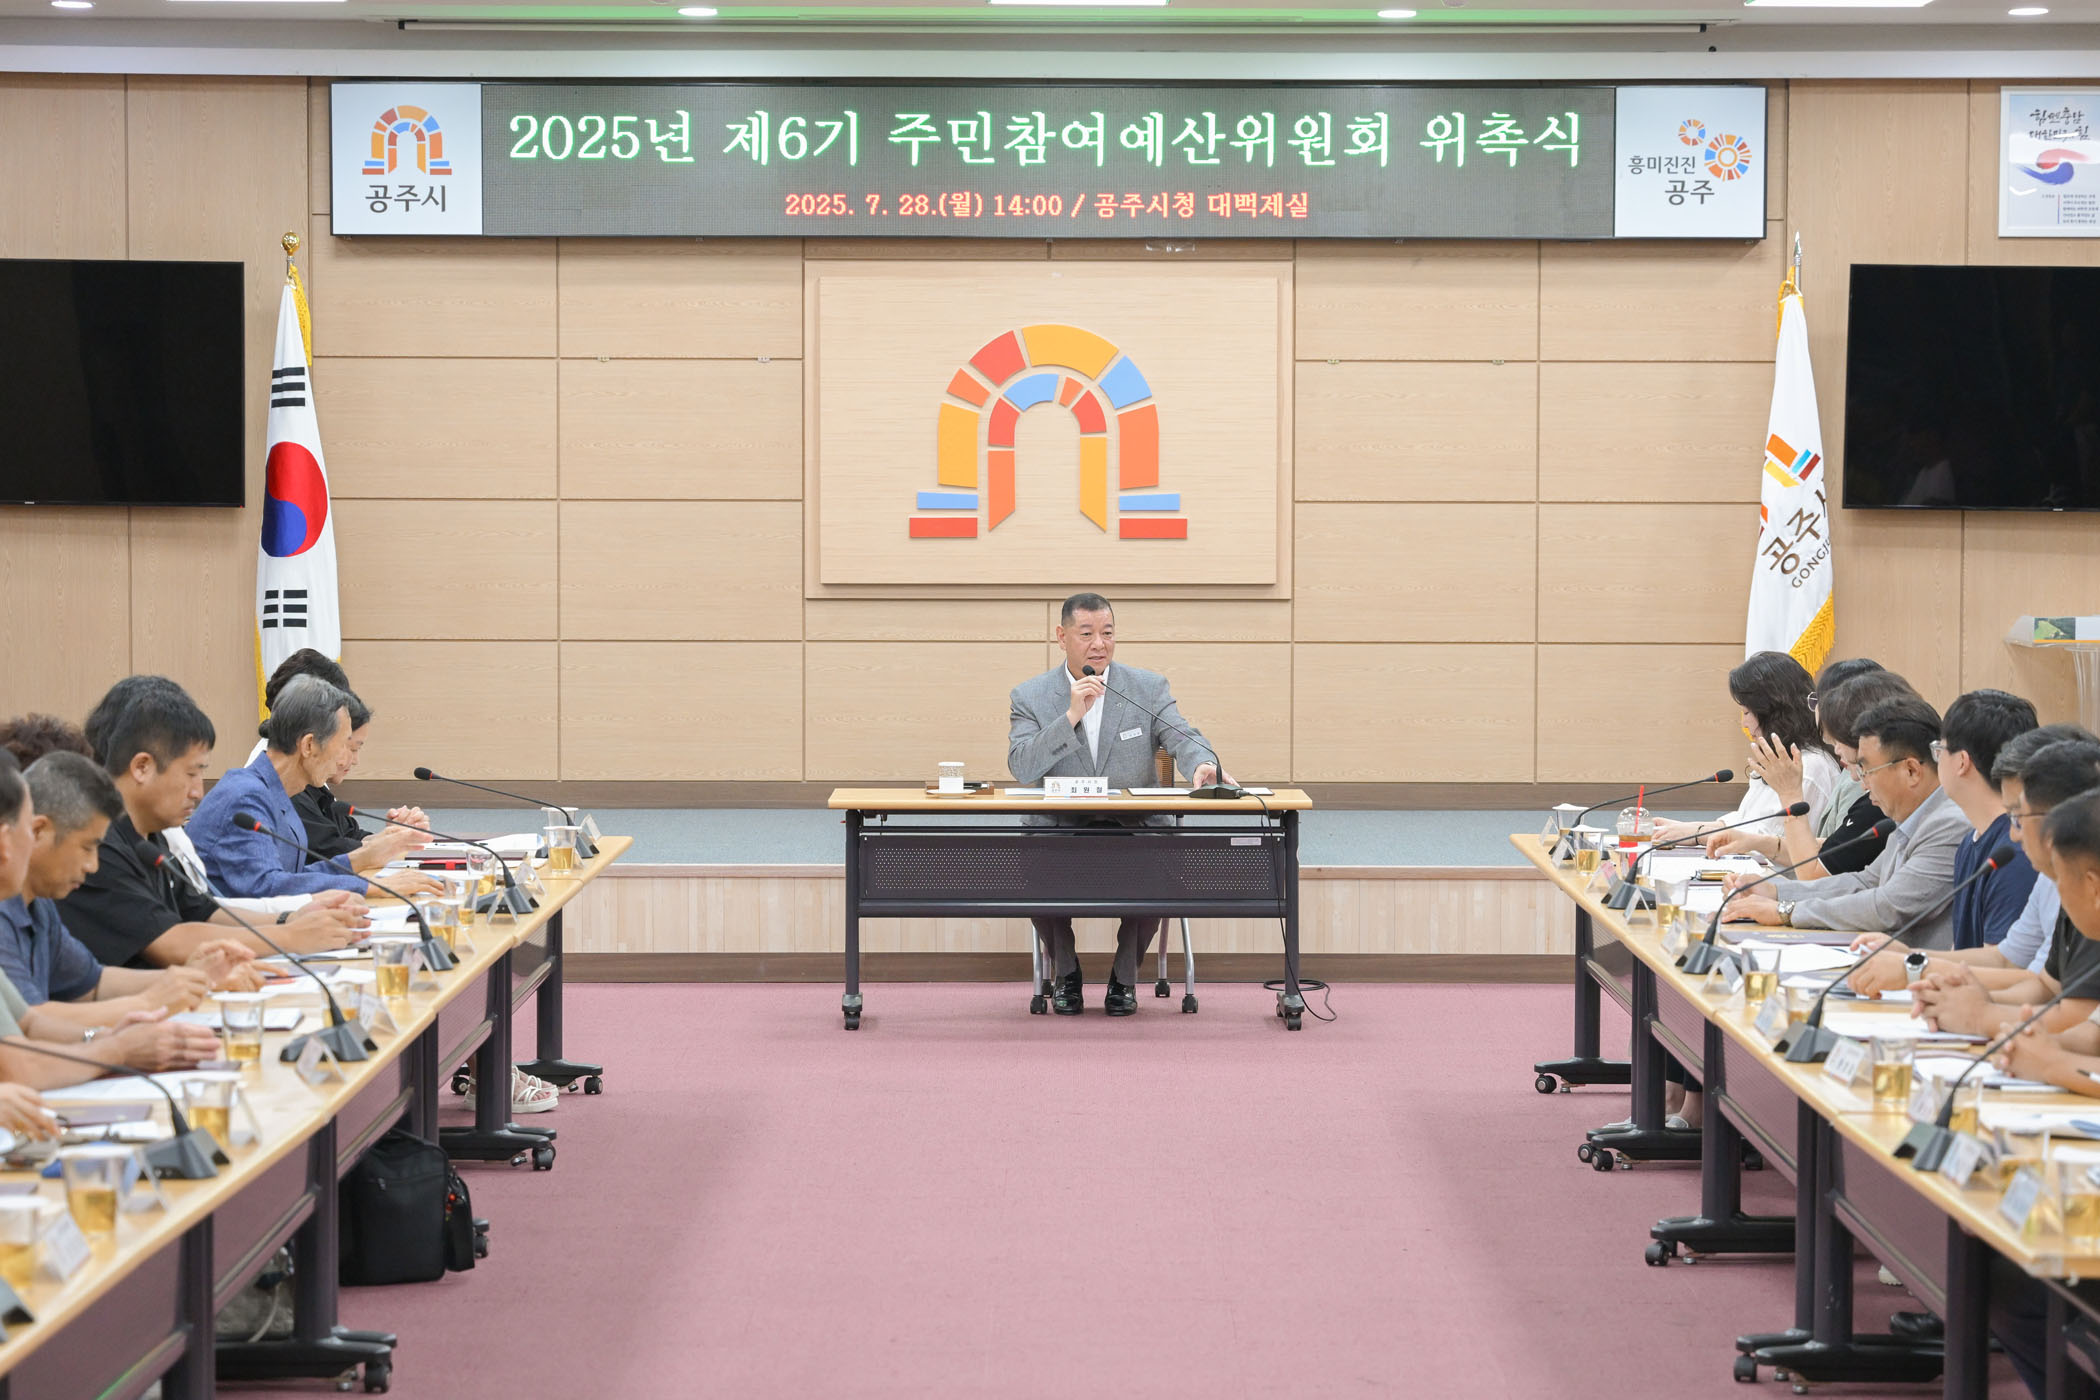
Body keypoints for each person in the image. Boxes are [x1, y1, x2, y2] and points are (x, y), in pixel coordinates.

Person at [1008, 592, 1231, 1016]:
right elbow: (1021, 766)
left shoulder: (1146, 688)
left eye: (1107, 633)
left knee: (1160, 872)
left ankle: (1125, 977)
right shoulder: (1031, 696)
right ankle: (1066, 973)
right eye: (1087, 634)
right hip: (1061, 832)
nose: (1099, 644)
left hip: (1134, 830)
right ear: (1061, 637)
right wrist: (1070, 717)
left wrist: (1203, 763)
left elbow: (1181, 734)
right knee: (1033, 872)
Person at [57, 677, 371, 969]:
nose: (198, 792)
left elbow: (203, 911)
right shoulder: (97, 844)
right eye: (191, 773)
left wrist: (290, 919)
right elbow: (170, 941)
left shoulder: (152, 835)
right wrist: (290, 935)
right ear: (141, 767)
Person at [3, 749, 263, 1036]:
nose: (93, 866)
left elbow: (94, 982)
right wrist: (147, 1004)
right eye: (87, 848)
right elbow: (24, 1022)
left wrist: (193, 978)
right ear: (37, 831)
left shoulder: (40, 904)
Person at [1846, 724, 2094, 997]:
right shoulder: (2046, 875)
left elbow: (2045, 991)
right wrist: (1912, 958)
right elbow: (2006, 960)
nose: (2014, 833)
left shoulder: (2035, 866)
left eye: (2018, 816)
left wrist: (1916, 969)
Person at [1721, 694, 1971, 948]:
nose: (1862, 783)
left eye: (1867, 770)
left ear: (1911, 770)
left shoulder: (1949, 824)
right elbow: (1865, 882)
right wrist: (1776, 891)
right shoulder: (1915, 816)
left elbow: (1887, 906)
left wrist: (1786, 910)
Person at [190, 676, 442, 902]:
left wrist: (366, 855)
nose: (345, 758)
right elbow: (266, 887)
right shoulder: (246, 796)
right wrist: (370, 886)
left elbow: (294, 876)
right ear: (309, 745)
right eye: (343, 744)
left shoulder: (277, 791)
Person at [1913, 739, 2100, 1037]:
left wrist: (1981, 1016)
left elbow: (2080, 1020)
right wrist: (1960, 1000)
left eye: (2018, 817)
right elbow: (2043, 985)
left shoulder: (2084, 892)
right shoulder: (2060, 881)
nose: (2013, 835)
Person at [1707, 661, 1899, 875]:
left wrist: (1789, 794)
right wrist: (1756, 842)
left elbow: (1816, 873)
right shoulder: (1858, 778)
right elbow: (1835, 847)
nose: (1836, 751)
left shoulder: (1862, 790)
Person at [1649, 651, 1844, 846]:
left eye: (1747, 712)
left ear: (1773, 712)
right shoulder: (1781, 758)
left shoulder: (1810, 766)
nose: (1744, 723)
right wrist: (1688, 828)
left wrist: (1698, 834)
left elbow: (1769, 842)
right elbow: (1746, 819)